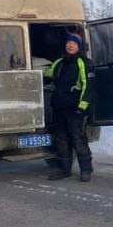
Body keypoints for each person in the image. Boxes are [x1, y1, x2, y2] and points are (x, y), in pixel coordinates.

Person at [45, 32, 93, 182]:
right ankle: (64, 169)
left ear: (78, 46)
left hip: (75, 109)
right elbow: (48, 75)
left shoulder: (83, 62)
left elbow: (88, 86)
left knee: (78, 139)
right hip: (59, 107)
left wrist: (82, 106)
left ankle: (86, 170)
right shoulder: (59, 62)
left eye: (74, 43)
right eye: (68, 43)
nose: (70, 45)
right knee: (61, 140)